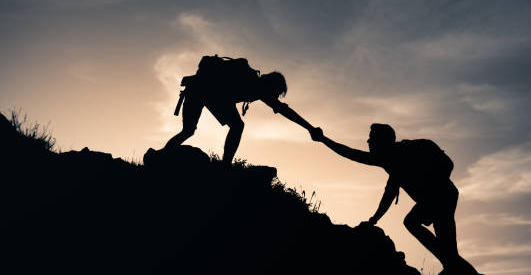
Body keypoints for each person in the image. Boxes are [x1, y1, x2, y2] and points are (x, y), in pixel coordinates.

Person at [311, 123, 479, 275]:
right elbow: (353, 155)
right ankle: (453, 266)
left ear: (382, 141)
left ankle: (452, 266)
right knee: (447, 251)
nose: (367, 142)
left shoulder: (405, 152)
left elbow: (448, 164)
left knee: (415, 225)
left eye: (371, 139)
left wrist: (431, 183)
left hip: (443, 196)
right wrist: (324, 139)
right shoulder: (388, 160)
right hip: (438, 198)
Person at [164, 55, 319, 164]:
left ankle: (162, 156)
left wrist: (310, 128)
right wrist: (310, 128)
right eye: (275, 93)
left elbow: (285, 110)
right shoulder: (254, 83)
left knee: (188, 131)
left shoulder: (258, 86)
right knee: (236, 126)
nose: (274, 97)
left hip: (197, 91)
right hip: (205, 91)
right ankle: (225, 165)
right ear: (270, 85)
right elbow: (285, 111)